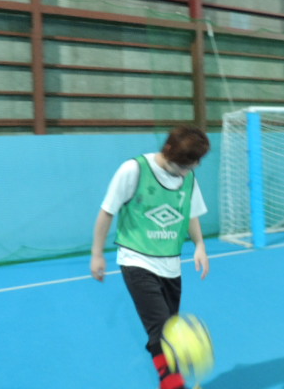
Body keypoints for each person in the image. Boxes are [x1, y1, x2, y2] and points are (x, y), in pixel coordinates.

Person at [90, 125, 211, 389]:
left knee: (172, 331)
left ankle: (171, 375)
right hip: (137, 261)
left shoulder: (188, 176)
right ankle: (172, 384)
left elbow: (190, 213)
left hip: (171, 264)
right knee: (160, 329)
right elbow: (107, 211)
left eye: (193, 165)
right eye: (184, 165)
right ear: (168, 150)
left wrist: (200, 245)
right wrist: (97, 253)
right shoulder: (133, 170)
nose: (188, 170)